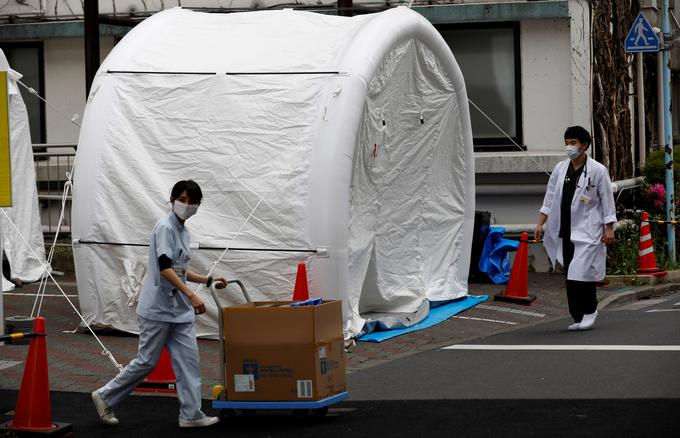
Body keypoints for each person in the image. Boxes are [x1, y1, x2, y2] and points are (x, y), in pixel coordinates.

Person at [92, 180, 227, 428]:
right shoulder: (165, 227)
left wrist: (207, 279)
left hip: (178, 310)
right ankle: (104, 395)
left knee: (189, 361)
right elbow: (165, 269)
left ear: (198, 205)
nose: (187, 205)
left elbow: (179, 270)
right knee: (147, 362)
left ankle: (191, 414)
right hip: (157, 309)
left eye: (192, 202)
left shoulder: (183, 230)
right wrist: (191, 294)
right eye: (182, 199)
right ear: (172, 199)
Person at [534, 126, 616, 331]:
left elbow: (607, 200)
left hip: (588, 229)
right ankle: (577, 314)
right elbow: (550, 197)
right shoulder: (561, 169)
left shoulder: (597, 170)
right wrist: (540, 223)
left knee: (581, 273)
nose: (569, 147)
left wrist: (609, 228)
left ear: (584, 145)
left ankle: (590, 310)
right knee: (570, 273)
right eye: (567, 142)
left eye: (573, 143)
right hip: (565, 229)